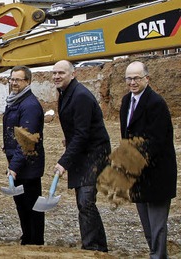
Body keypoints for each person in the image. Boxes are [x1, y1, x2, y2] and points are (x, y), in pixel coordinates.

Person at [120, 61, 176, 259]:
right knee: (146, 224)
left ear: (147, 79)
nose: (132, 82)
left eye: (137, 78)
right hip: (137, 174)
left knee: (157, 224)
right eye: (129, 78)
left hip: (156, 173)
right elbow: (125, 136)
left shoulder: (156, 103)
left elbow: (157, 141)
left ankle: (158, 256)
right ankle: (156, 254)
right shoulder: (127, 101)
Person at [52, 60, 109, 252]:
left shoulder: (80, 96)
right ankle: (97, 245)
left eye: (61, 73)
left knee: (86, 200)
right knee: (83, 201)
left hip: (94, 153)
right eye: (54, 73)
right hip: (83, 151)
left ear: (73, 74)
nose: (56, 77)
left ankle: (93, 247)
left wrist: (64, 162)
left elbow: (83, 134)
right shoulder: (65, 93)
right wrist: (69, 141)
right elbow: (78, 130)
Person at [2, 66, 45, 245]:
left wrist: (14, 166)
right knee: (21, 205)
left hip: (29, 166)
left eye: (18, 80)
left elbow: (26, 141)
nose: (13, 83)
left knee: (32, 205)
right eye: (12, 79)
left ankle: (35, 241)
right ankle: (27, 237)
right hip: (20, 163)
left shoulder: (30, 105)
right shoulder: (15, 102)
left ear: (27, 82)